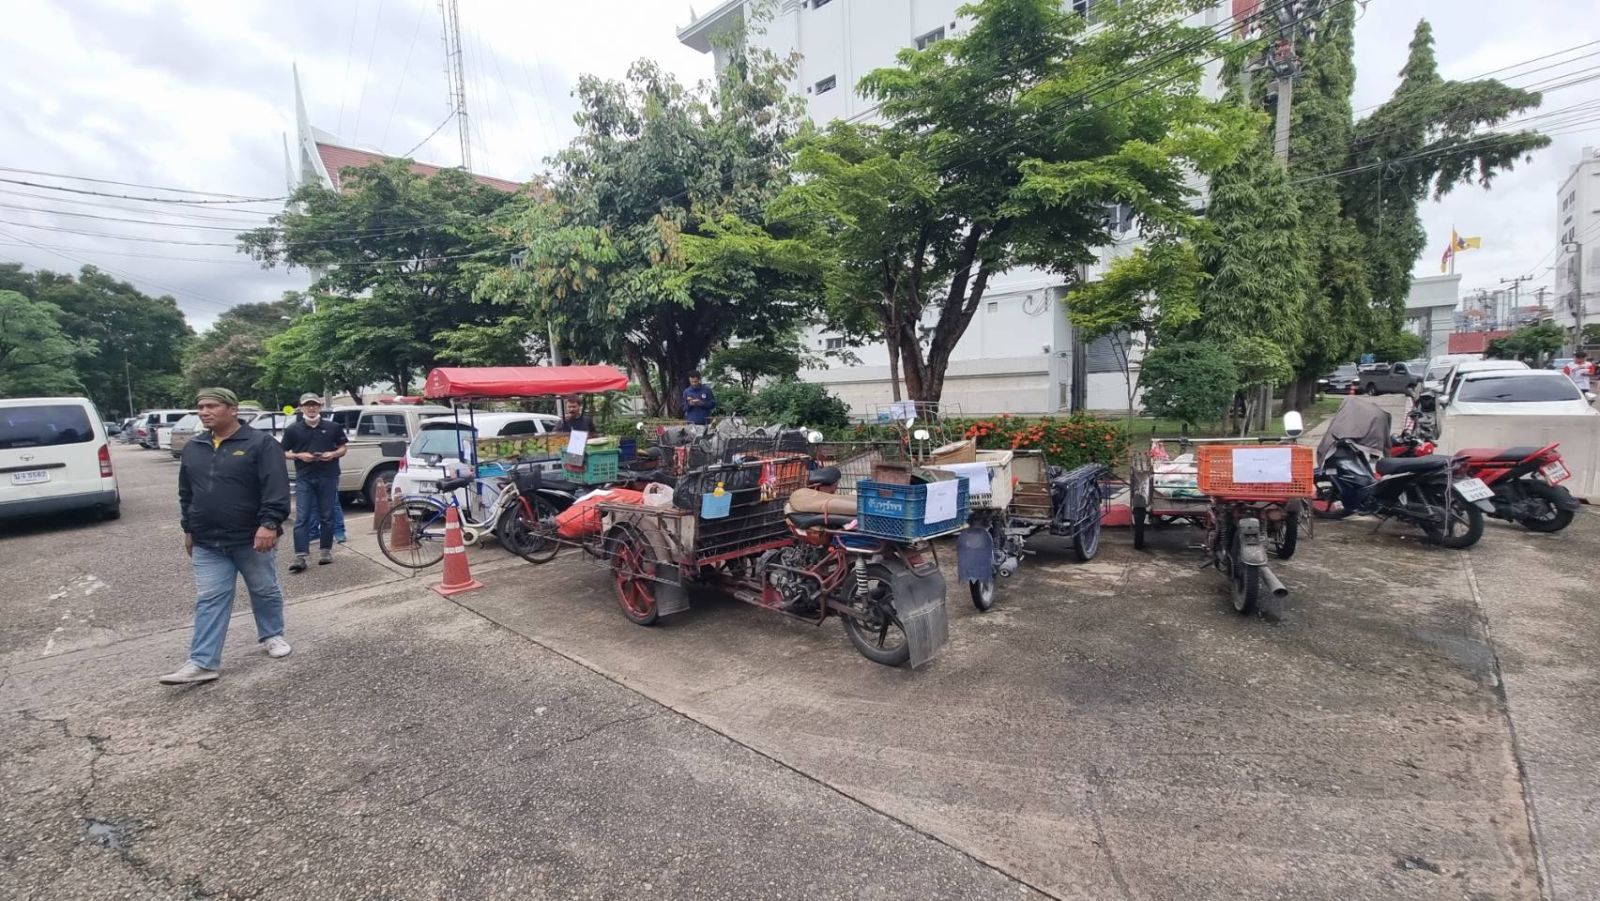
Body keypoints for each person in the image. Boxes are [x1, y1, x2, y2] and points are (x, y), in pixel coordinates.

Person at [161, 388, 291, 685]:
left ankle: (272, 634)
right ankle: (203, 662)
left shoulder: (260, 444)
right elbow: (186, 493)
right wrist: (188, 529)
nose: (204, 412)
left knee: (264, 589)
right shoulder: (194, 447)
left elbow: (276, 487)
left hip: (251, 538)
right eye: (200, 407)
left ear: (233, 409)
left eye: (212, 406)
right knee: (210, 598)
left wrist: (269, 524)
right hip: (207, 540)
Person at [279, 393, 348, 573]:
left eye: (314, 405)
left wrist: (332, 454)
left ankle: (325, 551)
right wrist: (298, 455)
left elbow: (343, 448)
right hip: (305, 477)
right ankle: (300, 555)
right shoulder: (293, 429)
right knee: (302, 517)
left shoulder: (332, 427)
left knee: (327, 515)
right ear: (301, 407)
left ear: (319, 407)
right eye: (307, 405)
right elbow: (281, 452)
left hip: (328, 476)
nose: (311, 408)